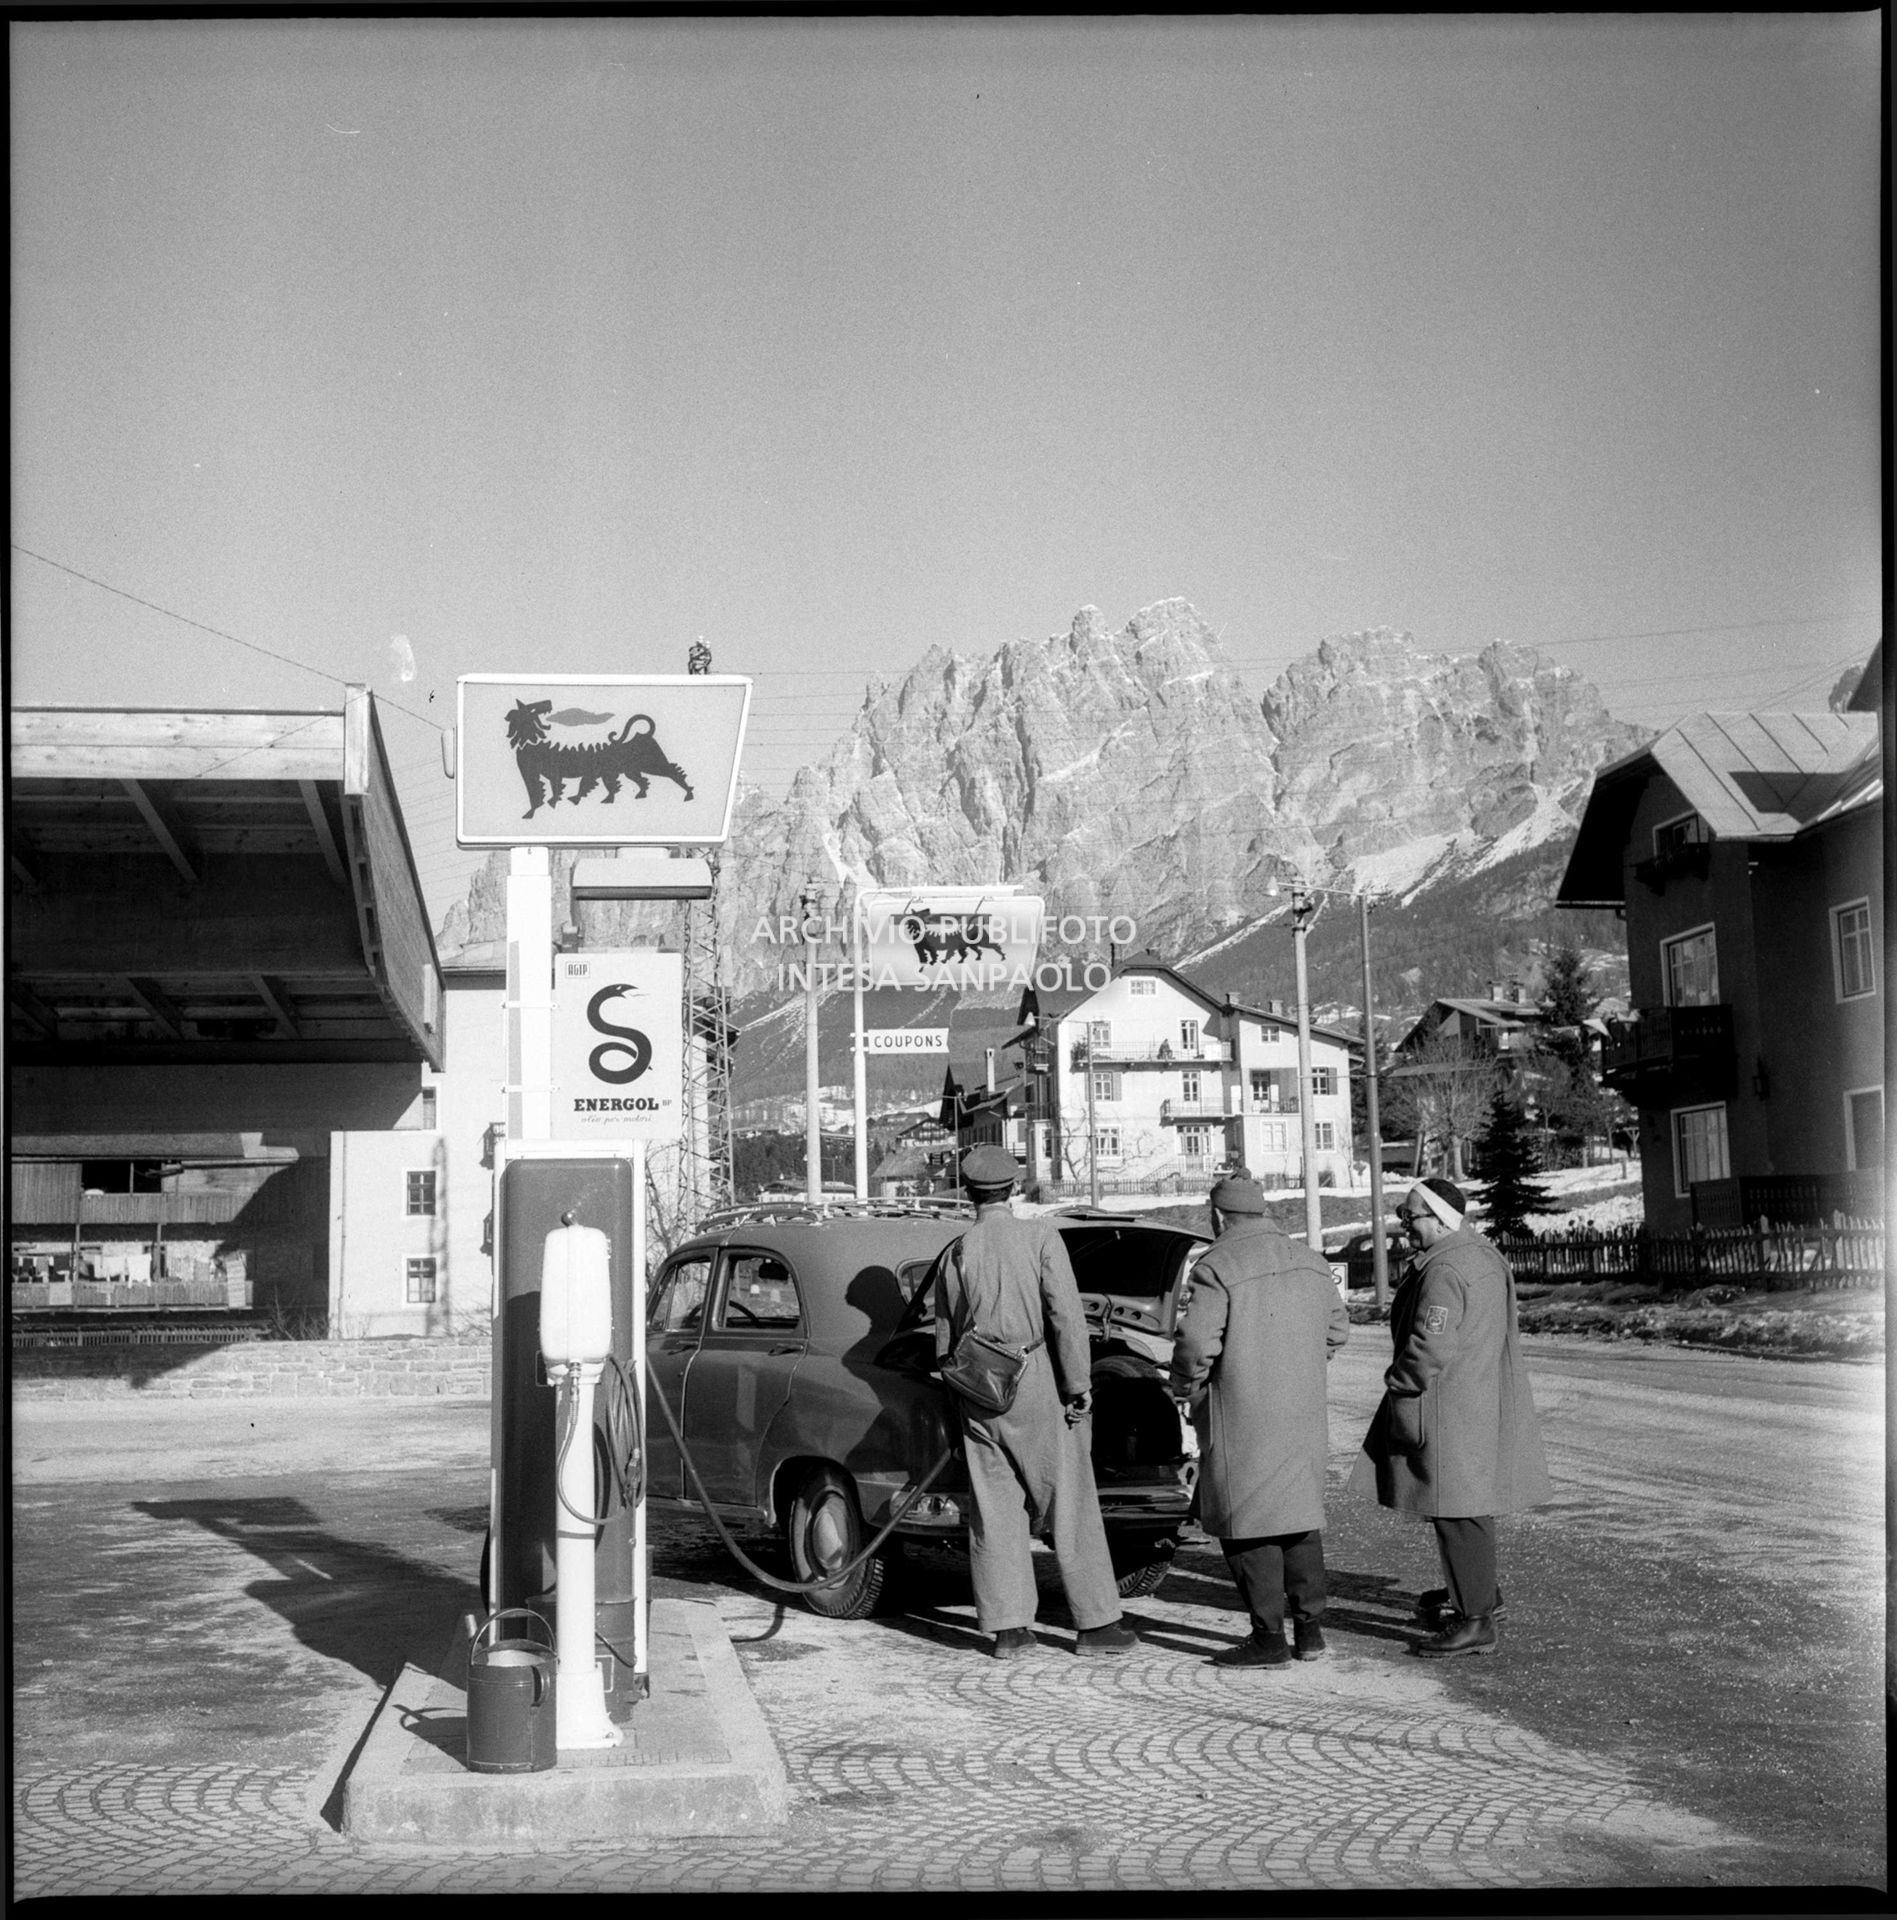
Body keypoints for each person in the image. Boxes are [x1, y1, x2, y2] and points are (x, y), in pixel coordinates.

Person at [934, 1145, 1137, 1659]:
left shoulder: (955, 1252)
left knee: (995, 1509)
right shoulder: (1040, 1236)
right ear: (1013, 1188)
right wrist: (1078, 1384)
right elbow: (1066, 1316)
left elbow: (944, 1343)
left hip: (979, 1392)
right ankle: (1097, 1624)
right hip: (1034, 1379)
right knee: (1069, 1500)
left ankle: (1009, 1631)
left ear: (969, 1192)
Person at [1348, 1176, 1552, 1656]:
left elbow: (1430, 1345)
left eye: (1410, 1216)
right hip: (1478, 1398)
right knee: (1468, 1505)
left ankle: (1476, 1621)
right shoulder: (1482, 1255)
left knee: (1455, 1510)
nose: (1404, 1225)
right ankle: (1481, 1595)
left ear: (1440, 1220)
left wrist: (1400, 1381)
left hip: (1447, 1407)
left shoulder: (1445, 1269)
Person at [1169, 1175, 1350, 1668]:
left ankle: (1268, 1640)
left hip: (1240, 1411)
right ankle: (1310, 1633)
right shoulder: (1311, 1261)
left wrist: (1185, 1386)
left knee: (1245, 1522)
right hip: (1302, 1412)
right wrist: (1301, 1364)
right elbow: (1337, 1330)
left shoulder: (1217, 1265)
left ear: (1218, 1216)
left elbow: (1195, 1345)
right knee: (1299, 1518)